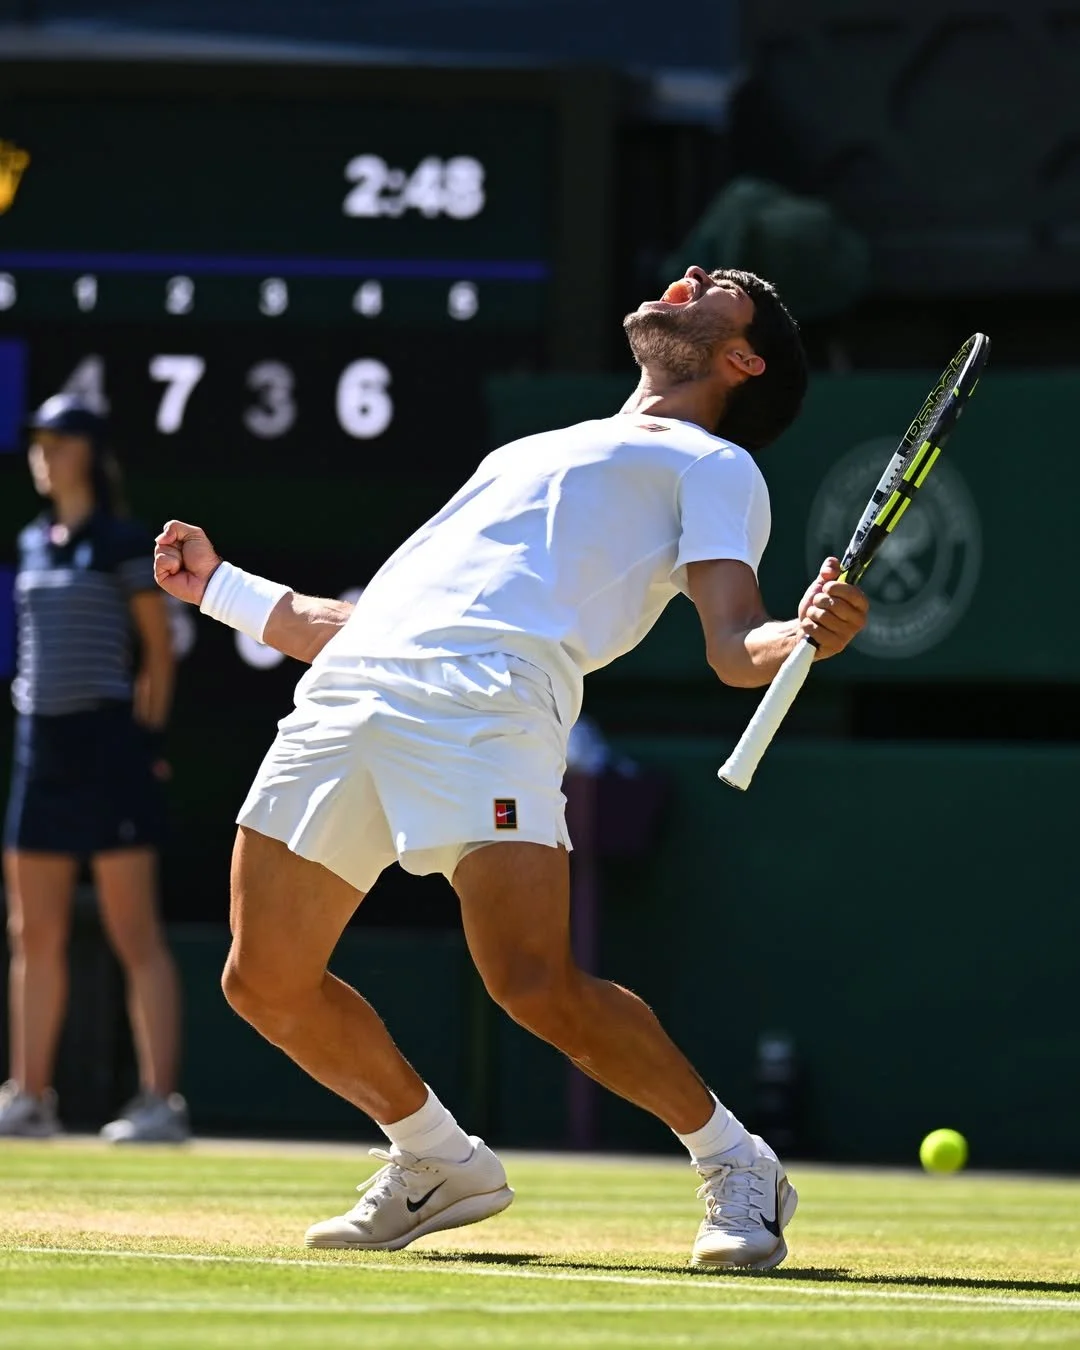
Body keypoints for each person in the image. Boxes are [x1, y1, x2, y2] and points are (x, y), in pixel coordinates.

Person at [155, 266, 868, 1267]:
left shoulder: (715, 467)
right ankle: (438, 1159)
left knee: (533, 983)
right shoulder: (530, 449)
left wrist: (804, 633)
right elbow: (381, 618)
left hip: (492, 698)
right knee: (263, 979)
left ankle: (735, 1159)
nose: (690, 276)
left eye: (721, 289)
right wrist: (222, 587)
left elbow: (730, 642)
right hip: (355, 685)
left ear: (741, 359)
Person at [0, 394, 189, 1143]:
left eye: (58, 442)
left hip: (109, 747)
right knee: (31, 932)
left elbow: (157, 653)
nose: (44, 455)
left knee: (133, 931)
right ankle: (28, 1095)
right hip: (38, 749)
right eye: (39, 443)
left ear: (89, 454)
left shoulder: (120, 543)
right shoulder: (32, 541)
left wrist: (145, 739)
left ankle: (159, 1102)